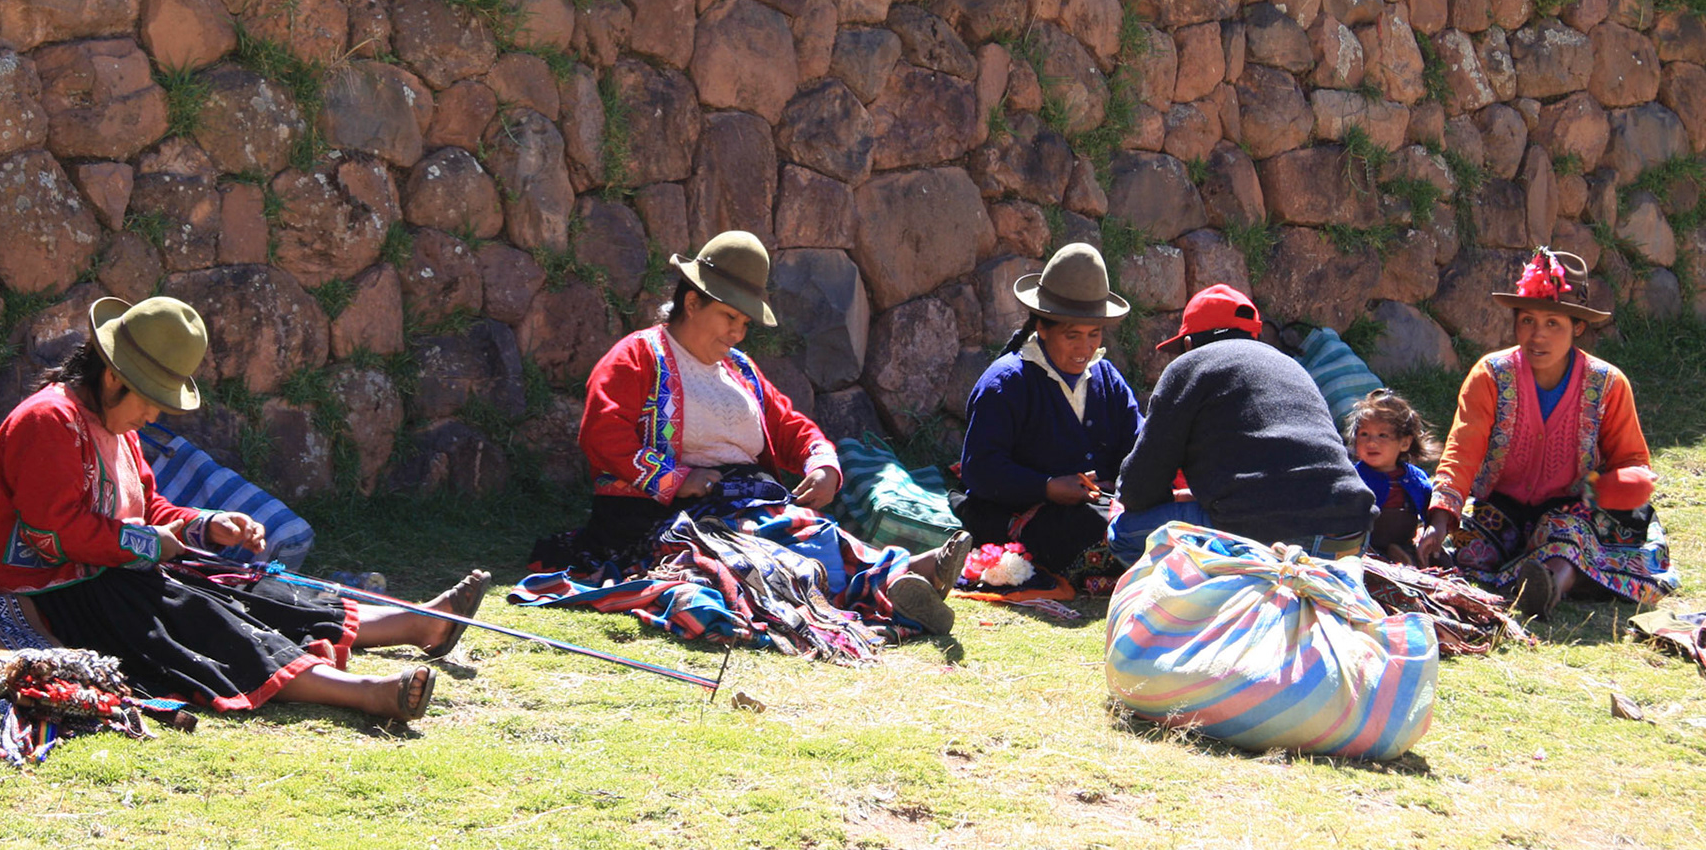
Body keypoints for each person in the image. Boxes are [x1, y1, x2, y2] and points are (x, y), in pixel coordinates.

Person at [0, 295, 492, 722]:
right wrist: (145, 544)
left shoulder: (115, 426)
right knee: (202, 615)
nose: (155, 414)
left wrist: (206, 525)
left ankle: (418, 624)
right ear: (114, 379)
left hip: (114, 573)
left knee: (247, 588)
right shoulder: (47, 423)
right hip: (57, 595)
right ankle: (363, 691)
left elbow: (149, 506)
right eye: (152, 400)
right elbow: (53, 532)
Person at [563, 230, 971, 640]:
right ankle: (896, 578)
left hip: (744, 503)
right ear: (692, 303)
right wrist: (675, 479)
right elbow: (603, 433)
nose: (738, 333)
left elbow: (789, 425)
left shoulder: (739, 369)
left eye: (744, 322)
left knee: (807, 529)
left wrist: (821, 463)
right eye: (729, 317)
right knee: (771, 546)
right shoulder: (638, 356)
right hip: (665, 516)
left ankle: (897, 578)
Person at [1415, 249, 1677, 620]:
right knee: (1466, 550)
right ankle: (1565, 579)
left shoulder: (1608, 385)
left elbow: (1633, 463)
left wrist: (1609, 488)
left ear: (1578, 327)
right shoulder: (1490, 376)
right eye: (1527, 321)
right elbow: (1463, 451)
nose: (1537, 335)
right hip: (1501, 509)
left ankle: (1547, 586)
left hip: (1572, 511)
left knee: (1564, 540)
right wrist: (1440, 520)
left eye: (1553, 323)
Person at [1110, 285, 1376, 564]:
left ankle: (1212, 600)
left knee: (1124, 532)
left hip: (1271, 537)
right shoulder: (1292, 367)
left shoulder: (1189, 366)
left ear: (1188, 344)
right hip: (1351, 536)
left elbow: (1139, 489)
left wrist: (1156, 497)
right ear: (1254, 335)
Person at [954, 243, 1142, 580]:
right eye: (1073, 336)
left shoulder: (1107, 379)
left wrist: (1125, 482)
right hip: (1022, 515)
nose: (1085, 349)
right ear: (1041, 328)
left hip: (1099, 510)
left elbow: (1138, 443)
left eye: (1093, 334)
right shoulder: (1006, 383)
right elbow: (979, 469)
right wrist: (1048, 486)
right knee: (1093, 531)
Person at [1345, 389, 1437, 566]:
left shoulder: (1414, 478)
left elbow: (1429, 508)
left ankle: (1404, 557)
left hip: (1404, 542)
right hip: (1365, 546)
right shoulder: (1354, 477)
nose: (1371, 442)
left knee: (1436, 559)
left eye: (1383, 435)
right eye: (1364, 434)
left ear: (1404, 443)